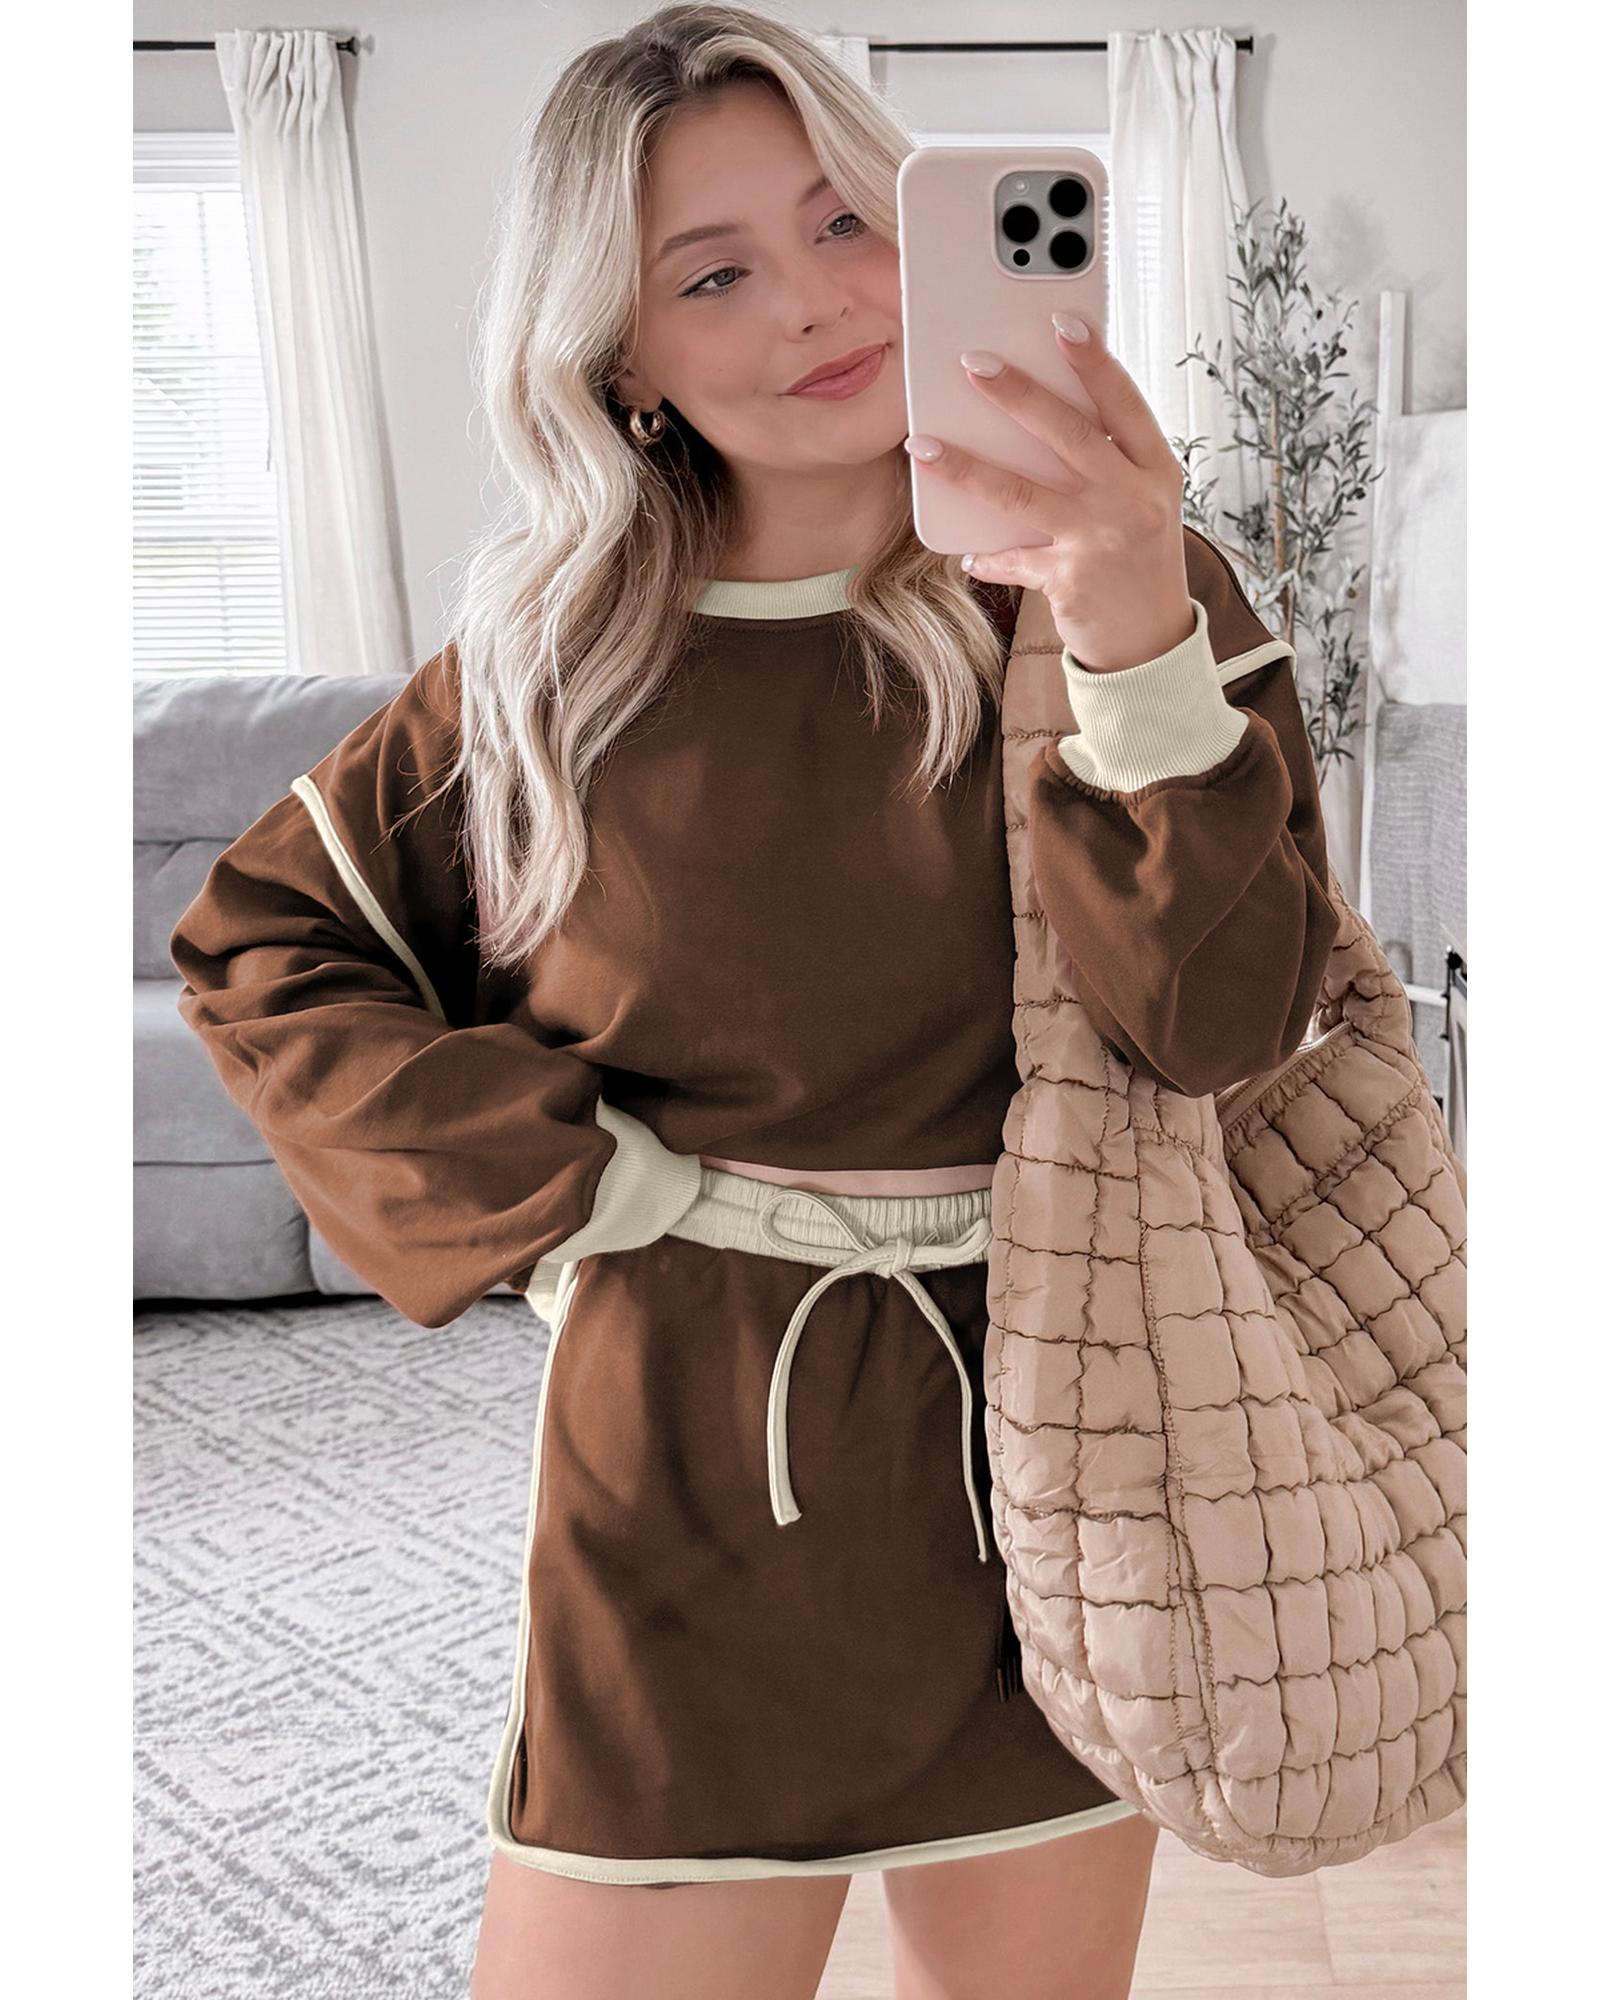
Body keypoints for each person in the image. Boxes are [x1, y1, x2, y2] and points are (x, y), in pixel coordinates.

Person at [168, 8, 1339, 1997]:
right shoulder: (547, 665)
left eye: (844, 222)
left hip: (1062, 1459)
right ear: (618, 354)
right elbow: (263, 946)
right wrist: (565, 1189)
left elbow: (1222, 1022)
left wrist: (1130, 616)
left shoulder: (1129, 594)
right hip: (683, 1469)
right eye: (710, 274)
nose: (812, 302)